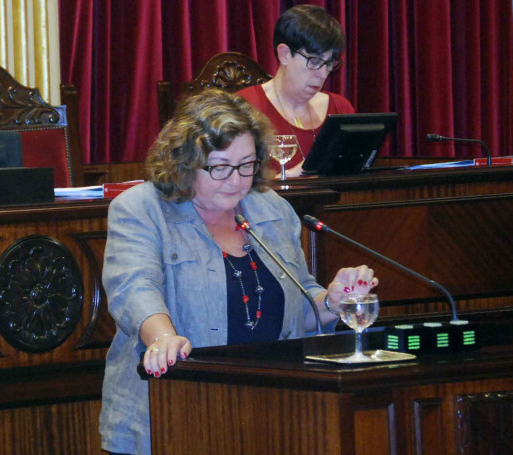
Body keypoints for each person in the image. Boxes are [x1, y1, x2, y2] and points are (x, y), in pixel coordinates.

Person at [98, 89, 377, 455]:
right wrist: (163, 337)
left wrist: (334, 301)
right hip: (171, 416)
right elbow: (135, 287)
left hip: (267, 416)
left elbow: (298, 303)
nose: (236, 180)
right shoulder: (141, 209)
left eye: (246, 165)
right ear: (185, 163)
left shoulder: (271, 209)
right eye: (220, 167)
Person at [237, 5, 355, 178]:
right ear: (284, 54)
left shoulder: (340, 108)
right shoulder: (243, 108)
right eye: (314, 61)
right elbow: (230, 187)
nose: (323, 74)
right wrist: (290, 176)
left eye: (329, 63)